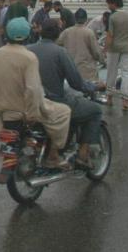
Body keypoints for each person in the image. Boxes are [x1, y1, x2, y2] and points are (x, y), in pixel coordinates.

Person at [0, 18, 71, 170]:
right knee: (64, 111)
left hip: (2, 111)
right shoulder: (28, 57)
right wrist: (32, 115)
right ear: (27, 35)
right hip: (23, 110)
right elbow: (33, 90)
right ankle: (53, 156)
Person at [28, 19, 103, 168]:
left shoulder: (28, 49)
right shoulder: (60, 52)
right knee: (95, 111)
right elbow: (77, 83)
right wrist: (94, 87)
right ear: (58, 34)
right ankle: (82, 154)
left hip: (30, 102)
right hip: (54, 102)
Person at [105, 0, 128, 111]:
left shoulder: (112, 17)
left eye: (109, 4)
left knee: (111, 72)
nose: (108, 6)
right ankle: (126, 102)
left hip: (114, 49)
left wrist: (104, 49)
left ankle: (109, 98)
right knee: (127, 73)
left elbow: (110, 35)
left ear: (114, 4)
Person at [58, 9, 104, 81]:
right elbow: (96, 53)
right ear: (86, 19)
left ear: (75, 19)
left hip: (70, 70)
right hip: (87, 72)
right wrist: (103, 61)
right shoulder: (89, 32)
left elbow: (57, 45)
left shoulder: (66, 32)